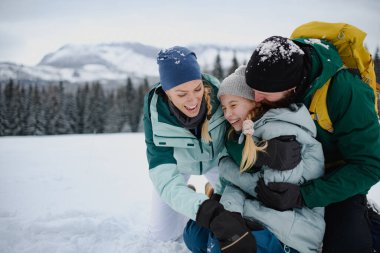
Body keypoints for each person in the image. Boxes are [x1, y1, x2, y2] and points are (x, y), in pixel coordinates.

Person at [143, 46, 302, 250]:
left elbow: (235, 137)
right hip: (179, 168)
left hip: (216, 162)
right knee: (162, 235)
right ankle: (188, 192)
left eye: (197, 89)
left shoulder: (219, 96)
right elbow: (163, 175)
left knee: (240, 209)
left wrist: (265, 151)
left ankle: (208, 191)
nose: (192, 100)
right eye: (182, 94)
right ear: (167, 92)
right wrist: (200, 208)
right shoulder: (156, 116)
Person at [244, 36, 380, 253]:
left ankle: (369, 219)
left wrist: (304, 196)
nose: (255, 98)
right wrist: (262, 153)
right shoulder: (268, 77)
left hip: (334, 179)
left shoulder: (345, 91)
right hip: (291, 174)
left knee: (347, 245)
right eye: (253, 89)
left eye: (265, 94)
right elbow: (230, 133)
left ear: (293, 87)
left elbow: (370, 165)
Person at [183, 65, 325, 253]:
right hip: (261, 215)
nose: (228, 114)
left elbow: (271, 193)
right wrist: (228, 210)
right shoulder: (242, 134)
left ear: (254, 102)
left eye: (233, 105)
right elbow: (237, 186)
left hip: (289, 230)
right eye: (224, 108)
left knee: (220, 245)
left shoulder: (282, 133)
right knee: (193, 234)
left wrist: (227, 169)